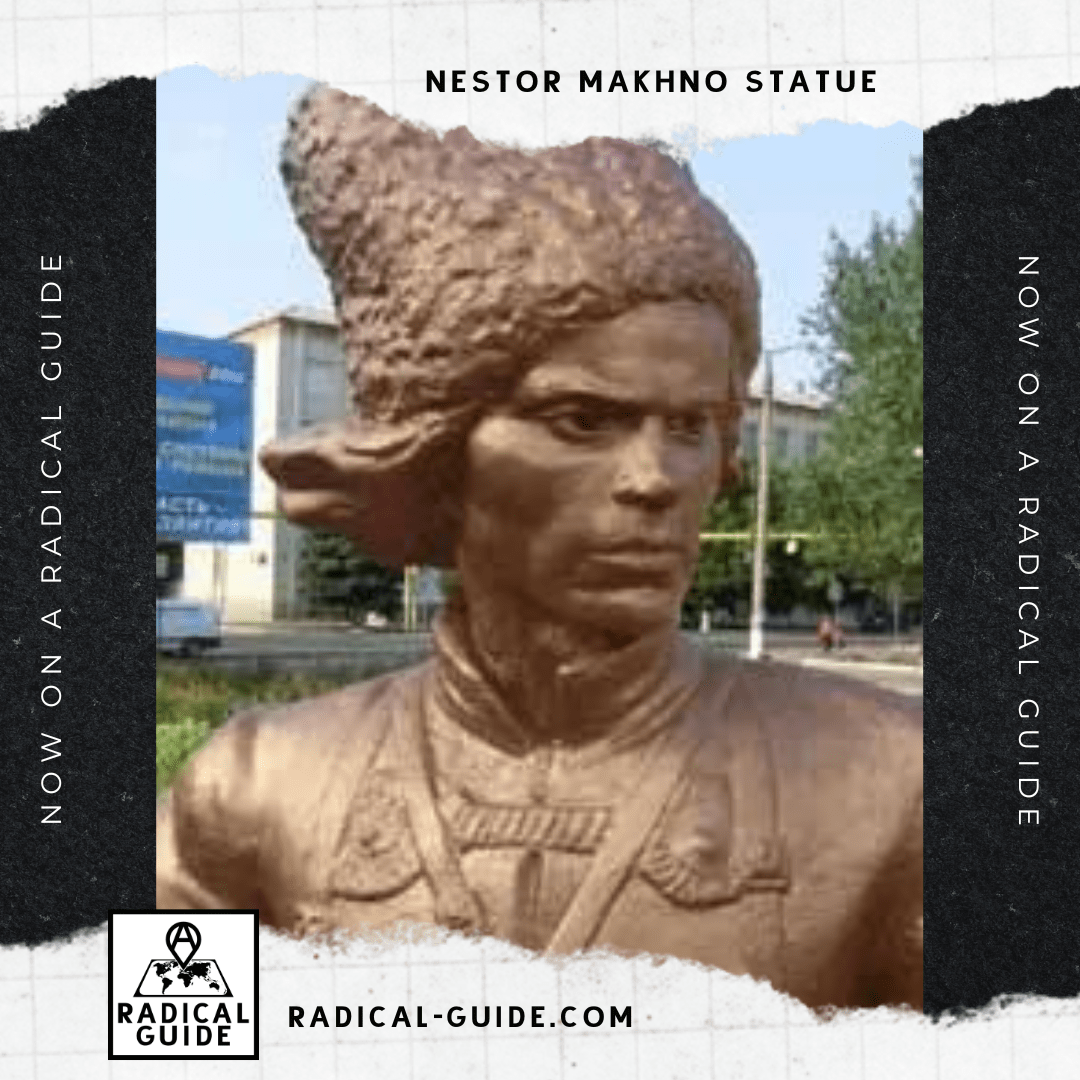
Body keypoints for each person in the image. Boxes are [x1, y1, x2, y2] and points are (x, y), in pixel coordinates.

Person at [157, 88, 922, 1010]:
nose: (656, 479)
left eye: (690, 426)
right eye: (583, 419)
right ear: (440, 453)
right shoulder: (253, 789)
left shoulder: (893, 785)